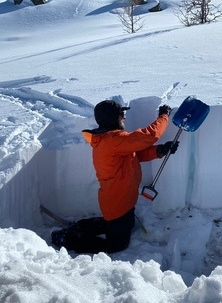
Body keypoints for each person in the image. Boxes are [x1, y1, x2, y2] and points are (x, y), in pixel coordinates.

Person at [51, 100, 179, 254]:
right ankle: (67, 239)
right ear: (113, 118)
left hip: (123, 200)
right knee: (116, 245)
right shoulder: (113, 140)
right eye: (121, 114)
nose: (124, 118)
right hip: (117, 203)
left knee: (119, 224)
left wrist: (160, 150)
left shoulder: (112, 141)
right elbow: (149, 136)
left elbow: (135, 155)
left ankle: (81, 226)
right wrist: (164, 116)